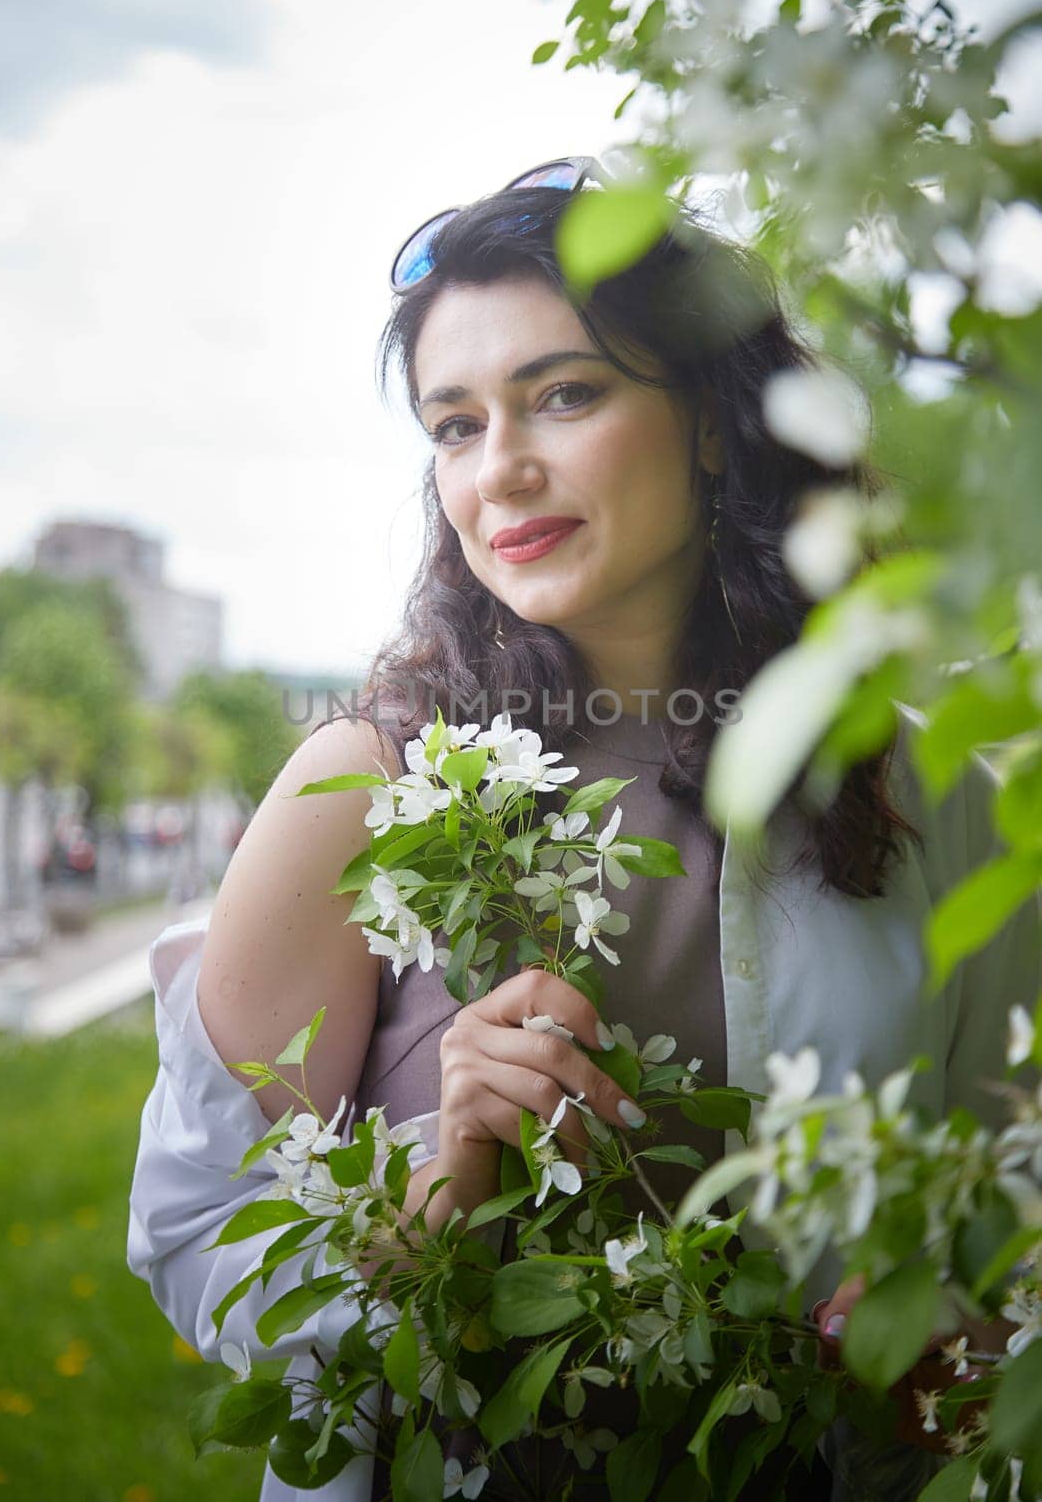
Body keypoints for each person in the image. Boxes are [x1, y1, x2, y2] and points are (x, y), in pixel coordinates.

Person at [127, 156, 1041, 1502]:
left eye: (566, 393)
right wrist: (434, 1220)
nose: (502, 469)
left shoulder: (918, 784)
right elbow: (198, 1229)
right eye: (453, 423)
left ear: (715, 424)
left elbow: (1004, 1210)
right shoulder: (362, 790)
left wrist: (953, 1356)